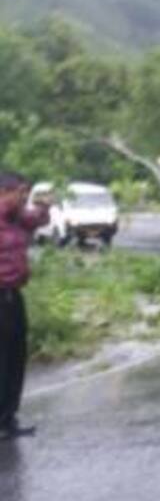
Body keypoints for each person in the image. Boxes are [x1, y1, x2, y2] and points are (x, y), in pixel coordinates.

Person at [0, 173, 50, 441]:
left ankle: (8, 419)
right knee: (3, 359)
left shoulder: (17, 217)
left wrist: (44, 205)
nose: (24, 197)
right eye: (20, 192)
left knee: (16, 356)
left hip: (13, 295)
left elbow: (38, 219)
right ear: (4, 192)